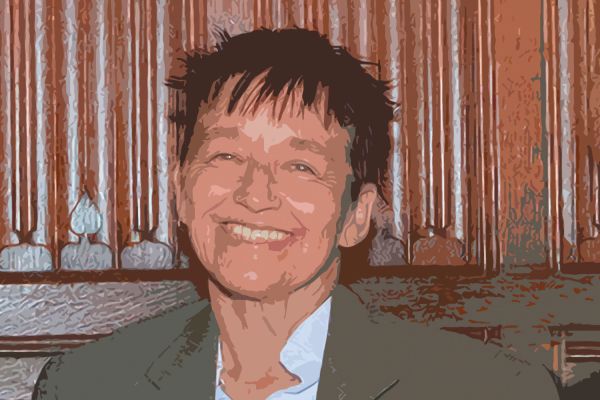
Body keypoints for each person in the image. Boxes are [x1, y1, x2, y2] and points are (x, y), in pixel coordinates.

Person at [32, 28, 562, 400]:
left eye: (300, 166)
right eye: (227, 156)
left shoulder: (487, 389)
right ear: (181, 192)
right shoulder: (85, 387)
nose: (255, 193)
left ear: (357, 215)